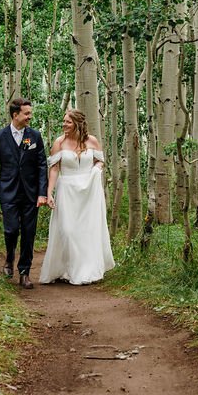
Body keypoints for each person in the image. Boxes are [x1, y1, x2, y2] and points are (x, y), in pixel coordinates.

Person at [38, 109, 115, 285]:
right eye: (64, 121)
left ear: (78, 123)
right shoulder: (59, 143)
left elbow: (100, 161)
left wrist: (96, 170)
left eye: (68, 122)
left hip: (88, 191)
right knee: (68, 230)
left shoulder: (92, 141)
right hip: (67, 190)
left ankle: (84, 270)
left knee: (86, 231)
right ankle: (67, 268)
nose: (64, 124)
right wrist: (49, 193)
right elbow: (55, 169)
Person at [0, 98, 49, 289]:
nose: (30, 116)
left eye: (30, 113)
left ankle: (24, 273)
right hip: (8, 193)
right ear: (15, 115)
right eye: (27, 113)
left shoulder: (35, 136)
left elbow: (41, 166)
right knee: (11, 229)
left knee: (29, 233)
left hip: (31, 195)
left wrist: (42, 193)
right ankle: (10, 257)